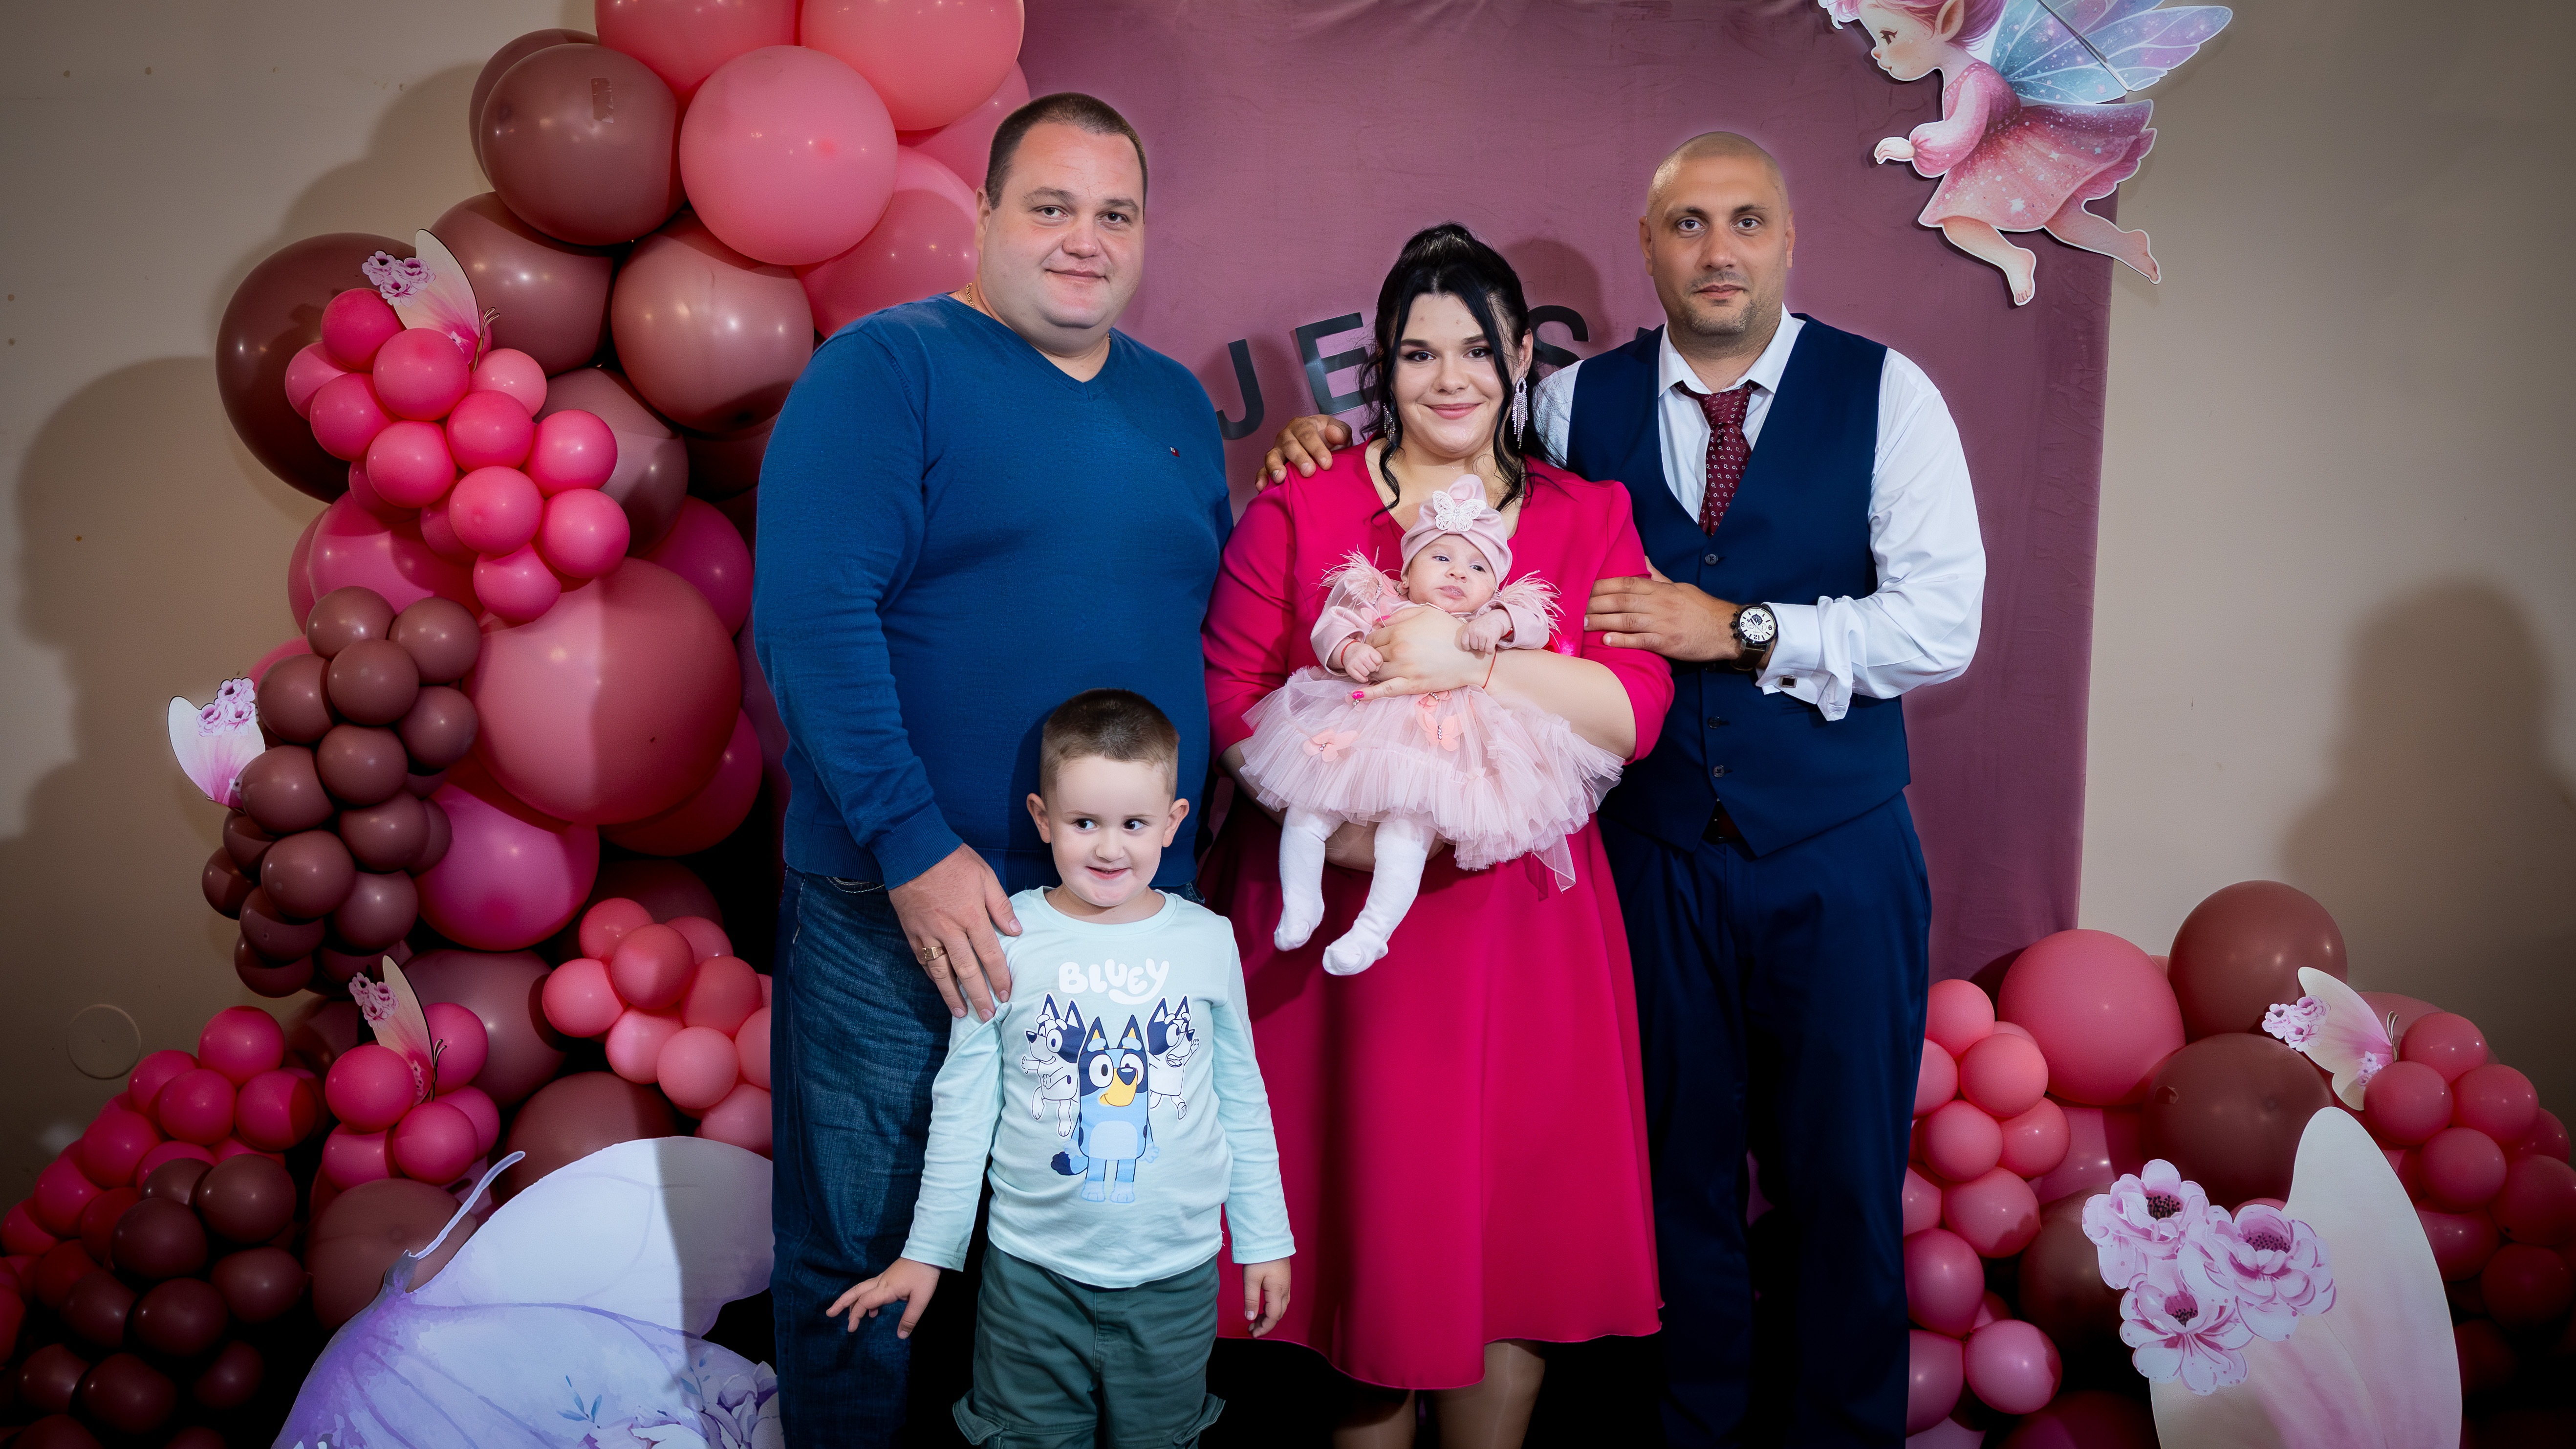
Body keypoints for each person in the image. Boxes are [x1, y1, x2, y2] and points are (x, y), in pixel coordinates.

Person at [1261, 135, 1985, 1446]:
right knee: (1677, 1184)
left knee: (1840, 1184)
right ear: (1647, 248)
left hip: (1834, 849)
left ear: (1787, 239)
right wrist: (1318, 443)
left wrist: (1746, 630)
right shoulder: (1566, 403)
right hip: (1649, 857)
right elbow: (1447, 463)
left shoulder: (1888, 396)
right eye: (1688, 224)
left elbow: (1943, 622)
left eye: (1746, 221)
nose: (1718, 250)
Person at [754, 94, 1232, 1443]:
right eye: (1051, 207)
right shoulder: (884, 370)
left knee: (1065, 1256)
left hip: (1113, 921)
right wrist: (911, 844)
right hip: (903, 904)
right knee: (864, 1247)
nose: (1085, 240)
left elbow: (1205, 621)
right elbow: (811, 619)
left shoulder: (1173, 402)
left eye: (1115, 214)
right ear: (983, 215)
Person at [1202, 223, 1670, 1447]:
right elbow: (1229, 694)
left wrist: (1478, 661)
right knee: (1368, 1255)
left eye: (1476, 349)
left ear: (1520, 357)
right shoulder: (1302, 507)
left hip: (1519, 937)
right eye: (1418, 353)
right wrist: (1345, 833)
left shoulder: (1587, 514)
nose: (1450, 377)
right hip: (1340, 953)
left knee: (1508, 1236)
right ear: (1383, 366)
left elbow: (1633, 711)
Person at [830, 689, 1293, 1449]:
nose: (1108, 849)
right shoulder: (1006, 938)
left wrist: (1264, 1237)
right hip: (1031, 1281)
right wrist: (927, 1252)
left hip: (1175, 1279)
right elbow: (963, 1107)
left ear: (1174, 821)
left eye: (1133, 824)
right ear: (1042, 818)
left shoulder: (1206, 941)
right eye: (1084, 824)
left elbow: (1240, 1098)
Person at [1234, 474, 1621, 974]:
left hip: (1437, 754)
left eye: (1478, 567)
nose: (1458, 572)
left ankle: (1372, 933)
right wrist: (1348, 651)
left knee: (1406, 836)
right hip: (1357, 738)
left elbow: (1535, 625)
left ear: (1493, 588)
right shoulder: (1382, 603)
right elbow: (1332, 627)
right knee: (1307, 814)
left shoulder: (1484, 621)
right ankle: (1301, 905)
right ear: (1406, 574)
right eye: (1441, 558)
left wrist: (1497, 622)